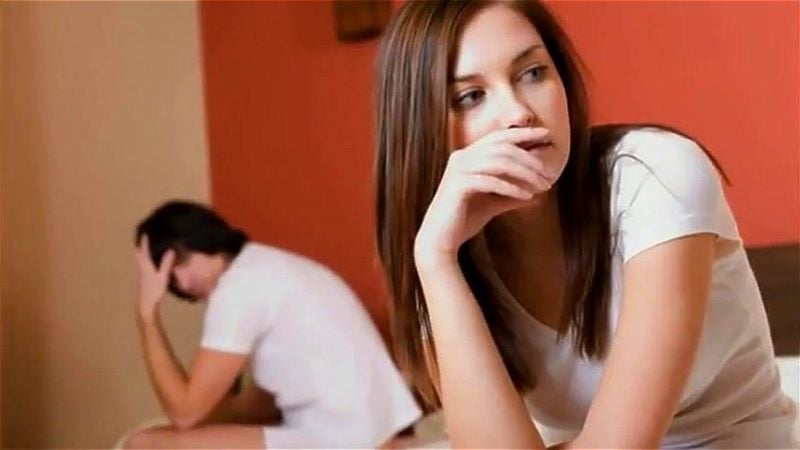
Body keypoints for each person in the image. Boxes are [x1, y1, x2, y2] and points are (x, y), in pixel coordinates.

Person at [374, 1, 798, 448]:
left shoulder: (656, 175)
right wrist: (435, 260)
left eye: (532, 73)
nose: (518, 113)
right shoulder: (446, 257)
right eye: (470, 97)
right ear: (422, 129)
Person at [125, 200, 421, 449]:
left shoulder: (238, 289)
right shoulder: (266, 268)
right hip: (370, 434)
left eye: (174, 273)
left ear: (187, 248)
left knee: (143, 444)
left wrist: (146, 315)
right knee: (172, 434)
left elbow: (185, 414)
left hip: (344, 439)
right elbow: (253, 408)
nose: (182, 288)